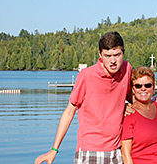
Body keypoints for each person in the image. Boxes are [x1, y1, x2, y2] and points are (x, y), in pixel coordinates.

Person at [35, 31, 132, 164]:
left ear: (123, 53)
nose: (113, 61)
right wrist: (54, 149)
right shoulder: (86, 76)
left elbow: (131, 97)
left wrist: (129, 106)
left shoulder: (127, 69)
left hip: (116, 151)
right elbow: (69, 112)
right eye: (107, 56)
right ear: (100, 55)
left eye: (117, 55)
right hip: (90, 151)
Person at [121, 66, 157, 164]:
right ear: (133, 89)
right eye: (138, 86)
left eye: (148, 85)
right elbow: (125, 154)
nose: (143, 89)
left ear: (153, 88)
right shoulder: (129, 114)